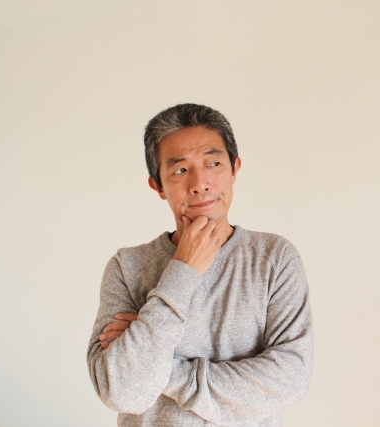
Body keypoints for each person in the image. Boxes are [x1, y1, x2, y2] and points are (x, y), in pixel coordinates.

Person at [87, 103, 313, 427]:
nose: (199, 183)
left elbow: (290, 379)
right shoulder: (127, 266)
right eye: (180, 170)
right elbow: (123, 392)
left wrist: (160, 364)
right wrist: (183, 270)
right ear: (158, 185)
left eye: (213, 163)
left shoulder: (274, 258)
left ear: (234, 169)